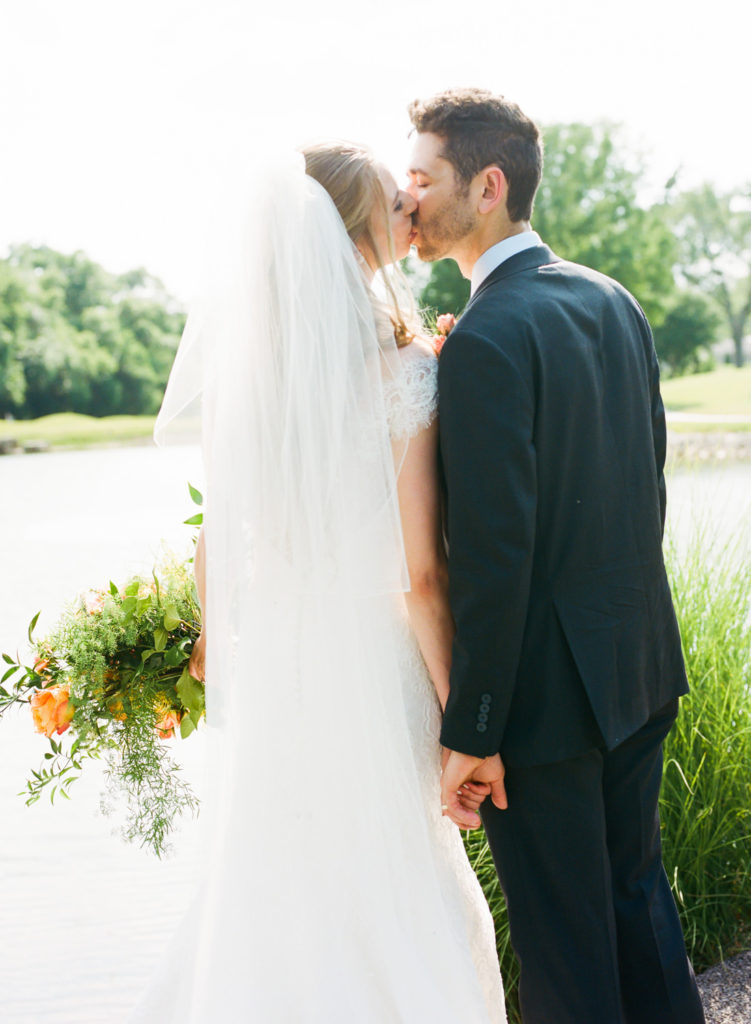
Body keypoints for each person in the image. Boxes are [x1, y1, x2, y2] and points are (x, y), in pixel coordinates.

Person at [129, 142, 505, 1022]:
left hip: (283, 662)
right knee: (391, 877)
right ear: (354, 231)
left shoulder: (251, 379)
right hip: (372, 665)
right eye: (391, 200)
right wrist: (463, 719)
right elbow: (418, 574)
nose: (408, 209)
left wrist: (215, 645)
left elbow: (216, 537)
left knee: (278, 875)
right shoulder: (406, 373)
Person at [406, 87, 706, 1024]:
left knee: (565, 952)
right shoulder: (610, 299)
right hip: (638, 668)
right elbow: (644, 490)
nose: (408, 198)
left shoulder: (486, 339)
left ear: (487, 186)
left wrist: (474, 725)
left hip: (546, 705)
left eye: (424, 177)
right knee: (636, 909)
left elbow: (497, 559)